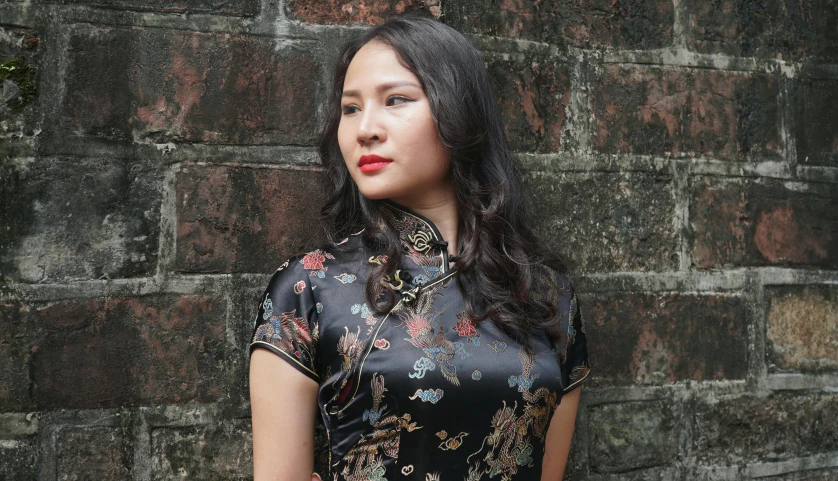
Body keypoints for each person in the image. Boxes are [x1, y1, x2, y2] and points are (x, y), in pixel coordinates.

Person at [249, 15, 591, 481]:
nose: (365, 128)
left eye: (396, 100)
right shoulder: (310, 287)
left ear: (459, 111)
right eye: (350, 108)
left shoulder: (546, 293)